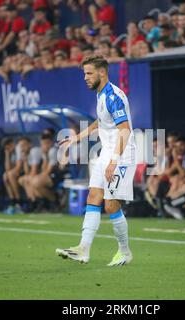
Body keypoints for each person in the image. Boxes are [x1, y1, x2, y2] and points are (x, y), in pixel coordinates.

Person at [56, 55, 136, 266]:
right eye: (84, 74)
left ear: (102, 72)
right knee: (93, 195)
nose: (86, 78)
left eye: (89, 73)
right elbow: (100, 122)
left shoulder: (113, 97)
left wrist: (114, 161)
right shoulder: (101, 95)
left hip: (122, 154)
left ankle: (125, 251)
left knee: (110, 205)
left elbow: (125, 131)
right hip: (107, 153)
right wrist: (77, 138)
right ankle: (83, 249)